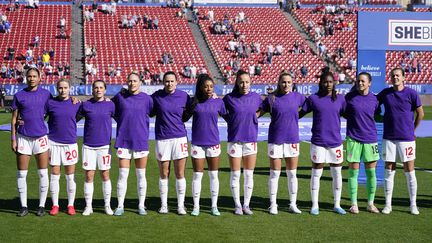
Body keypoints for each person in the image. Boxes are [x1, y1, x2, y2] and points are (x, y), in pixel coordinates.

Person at [377, 68, 424, 215]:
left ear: (404, 77)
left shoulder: (411, 93)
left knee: (409, 171)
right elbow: (373, 104)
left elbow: (420, 113)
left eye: (398, 75)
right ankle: (388, 205)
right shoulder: (385, 93)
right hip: (389, 138)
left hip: (406, 138)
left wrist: (413, 129)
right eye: (392, 76)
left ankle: (413, 205)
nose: (395, 77)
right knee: (389, 170)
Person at [300, 72, 346, 215]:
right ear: (321, 83)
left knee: (337, 174)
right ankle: (315, 205)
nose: (328, 84)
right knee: (316, 174)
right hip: (318, 142)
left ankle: (337, 205)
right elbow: (299, 114)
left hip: (336, 142)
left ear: (334, 83)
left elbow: (349, 114)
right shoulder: (314, 99)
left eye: (330, 82)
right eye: (325, 82)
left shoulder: (340, 99)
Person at [260, 73, 306, 215]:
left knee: (292, 174)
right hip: (275, 139)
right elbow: (258, 112)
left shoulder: (298, 97)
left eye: (289, 82)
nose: (286, 85)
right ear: (279, 83)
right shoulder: (271, 98)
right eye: (283, 82)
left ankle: (293, 203)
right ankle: (273, 204)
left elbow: (308, 107)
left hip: (292, 139)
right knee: (275, 174)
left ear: (292, 83)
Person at [182, 74, 227, 216]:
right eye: (206, 86)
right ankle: (196, 206)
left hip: (213, 143)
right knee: (197, 176)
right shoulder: (194, 102)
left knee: (214, 175)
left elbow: (230, 117)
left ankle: (214, 206)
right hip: (197, 144)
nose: (209, 89)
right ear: (200, 87)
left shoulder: (218, 102)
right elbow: (183, 118)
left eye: (211, 86)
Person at [11, 68, 52, 217]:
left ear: (40, 78)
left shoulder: (47, 95)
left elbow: (56, 107)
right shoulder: (19, 95)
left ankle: (41, 205)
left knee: (42, 173)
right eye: (29, 76)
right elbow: (14, 119)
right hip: (23, 138)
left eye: (34, 76)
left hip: (40, 138)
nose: (32, 78)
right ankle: (23, 206)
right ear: (25, 78)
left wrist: (73, 100)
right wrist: (13, 139)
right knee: (22, 174)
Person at [111, 72, 153, 216]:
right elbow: (110, 108)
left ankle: (141, 205)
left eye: (135, 81)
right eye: (130, 81)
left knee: (141, 175)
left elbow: (152, 112)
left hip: (140, 141)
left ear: (140, 82)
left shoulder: (147, 99)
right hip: (123, 140)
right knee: (123, 175)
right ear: (126, 82)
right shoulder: (119, 97)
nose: (132, 83)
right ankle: (120, 205)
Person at [223, 70, 263, 215]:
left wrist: (256, 117)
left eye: (246, 82)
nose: (244, 84)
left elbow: (264, 108)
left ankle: (246, 204)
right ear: (237, 82)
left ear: (250, 82)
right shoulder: (229, 98)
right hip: (234, 140)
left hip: (251, 140)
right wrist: (230, 120)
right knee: (235, 174)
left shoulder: (256, 97)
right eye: (241, 82)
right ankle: (237, 205)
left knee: (248, 174)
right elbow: (220, 109)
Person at [151, 71, 191, 215]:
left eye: (172, 81)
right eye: (167, 81)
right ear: (163, 82)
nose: (169, 83)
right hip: (162, 138)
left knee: (180, 173)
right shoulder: (156, 96)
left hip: (179, 138)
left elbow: (197, 105)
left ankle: (180, 205)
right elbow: (145, 106)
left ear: (176, 82)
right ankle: (164, 205)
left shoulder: (184, 96)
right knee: (164, 173)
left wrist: (214, 96)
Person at [344, 72, 380, 214]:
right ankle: (354, 204)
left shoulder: (375, 100)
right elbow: (344, 113)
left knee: (371, 173)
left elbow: (377, 114)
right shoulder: (349, 98)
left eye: (363, 81)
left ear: (369, 83)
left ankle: (370, 203)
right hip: (353, 139)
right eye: (358, 81)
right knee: (353, 173)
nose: (360, 83)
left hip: (370, 139)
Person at [80, 80, 116, 216]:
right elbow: (73, 117)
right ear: (92, 90)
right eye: (96, 87)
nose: (98, 90)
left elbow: (121, 118)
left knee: (105, 175)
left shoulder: (111, 105)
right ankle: (88, 206)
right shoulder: (86, 105)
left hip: (104, 146)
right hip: (88, 146)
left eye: (101, 87)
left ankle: (107, 205)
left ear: (105, 90)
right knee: (89, 175)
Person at [46, 79, 80, 216]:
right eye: (60, 88)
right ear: (57, 89)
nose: (63, 90)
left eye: (65, 87)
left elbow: (80, 116)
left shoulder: (76, 104)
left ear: (70, 89)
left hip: (70, 143)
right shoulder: (50, 103)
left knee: (70, 176)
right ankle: (55, 205)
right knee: (54, 176)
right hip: (53, 143)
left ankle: (70, 205)